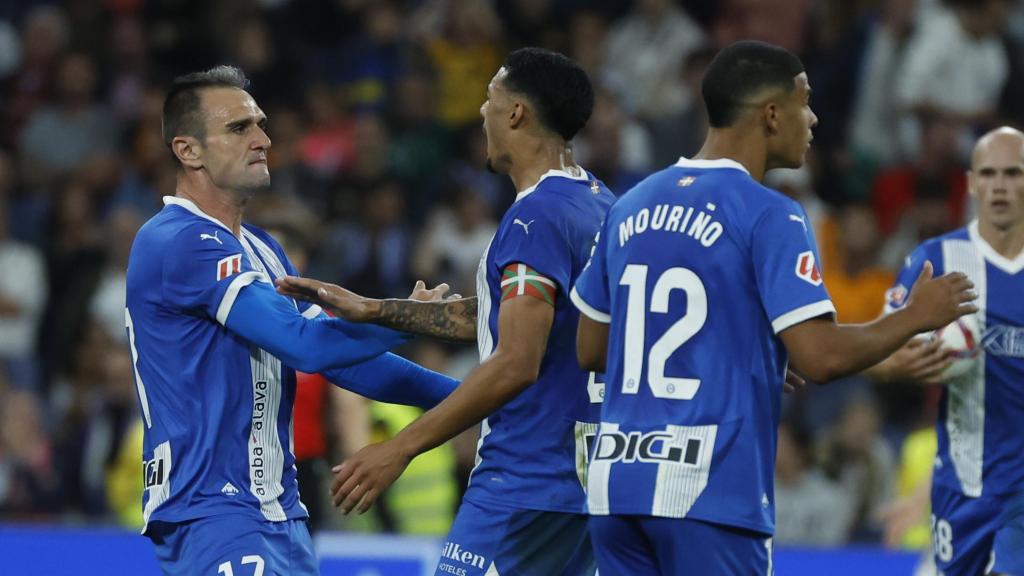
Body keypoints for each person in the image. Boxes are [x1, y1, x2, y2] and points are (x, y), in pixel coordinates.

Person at [569, 40, 977, 575]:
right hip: (708, 492)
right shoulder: (771, 214)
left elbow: (591, 348)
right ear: (770, 114)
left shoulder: (630, 205)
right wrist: (914, 317)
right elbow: (821, 358)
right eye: (804, 102)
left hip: (615, 488)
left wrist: (738, 350)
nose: (814, 118)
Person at [278, 47, 615, 575]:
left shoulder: (537, 217)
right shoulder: (598, 202)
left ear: (516, 112)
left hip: (524, 481)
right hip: (585, 482)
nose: (481, 111)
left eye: (490, 97)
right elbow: (517, 317)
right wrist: (376, 310)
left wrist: (400, 447)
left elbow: (516, 361)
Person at [125, 66, 458, 576]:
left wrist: (475, 398)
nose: (262, 139)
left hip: (282, 518)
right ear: (188, 150)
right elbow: (304, 345)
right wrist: (407, 318)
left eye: (260, 124)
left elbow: (346, 361)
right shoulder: (176, 240)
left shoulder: (263, 249)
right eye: (239, 128)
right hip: (214, 513)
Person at [879, 126, 1024, 576]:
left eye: (1014, 173)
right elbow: (879, 350)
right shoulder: (936, 260)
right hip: (960, 488)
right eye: (989, 174)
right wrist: (899, 363)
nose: (1000, 186)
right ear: (972, 183)